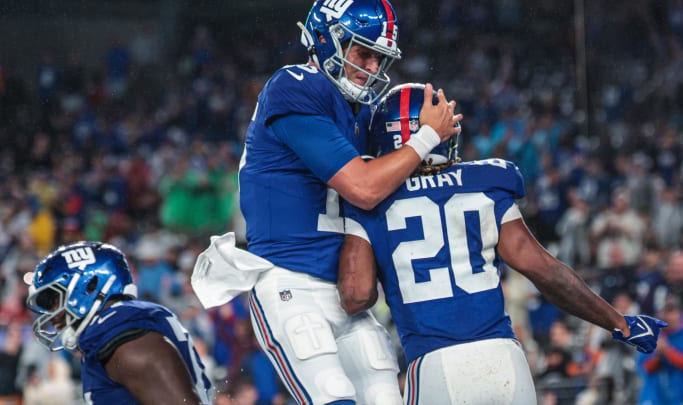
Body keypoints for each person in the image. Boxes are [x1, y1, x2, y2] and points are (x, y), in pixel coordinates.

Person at [337, 83, 667, 405]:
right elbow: (546, 272)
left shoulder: (369, 201)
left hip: (436, 365)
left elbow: (356, 294)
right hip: (504, 359)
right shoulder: (486, 182)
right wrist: (620, 323)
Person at [210, 0, 461, 404]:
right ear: (329, 40)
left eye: (381, 59)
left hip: (349, 293)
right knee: (333, 395)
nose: (373, 69)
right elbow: (362, 188)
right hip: (290, 281)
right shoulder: (295, 85)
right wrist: (426, 138)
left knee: (385, 397)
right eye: (364, 53)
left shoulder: (362, 113)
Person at [25, 241, 213, 404]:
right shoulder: (111, 335)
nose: (51, 314)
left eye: (53, 300)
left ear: (89, 287)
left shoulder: (125, 340)